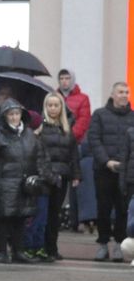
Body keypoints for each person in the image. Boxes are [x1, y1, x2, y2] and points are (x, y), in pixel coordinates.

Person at [0, 98, 49, 265]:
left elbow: (38, 157)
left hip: (24, 183)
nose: (14, 117)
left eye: (17, 113)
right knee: (3, 218)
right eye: (11, 114)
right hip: (4, 182)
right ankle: (2, 251)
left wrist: (41, 177)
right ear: (5, 116)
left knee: (21, 218)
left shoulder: (30, 135)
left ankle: (18, 251)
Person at [28, 92, 79, 261]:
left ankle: (52, 248)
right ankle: (39, 246)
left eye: (56, 105)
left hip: (61, 176)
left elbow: (73, 154)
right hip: (44, 176)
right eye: (50, 105)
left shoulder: (67, 129)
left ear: (61, 107)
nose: (53, 108)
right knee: (41, 213)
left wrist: (76, 175)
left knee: (54, 213)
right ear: (45, 107)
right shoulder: (40, 129)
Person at [87, 81, 132, 262]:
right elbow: (94, 139)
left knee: (123, 210)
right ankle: (103, 244)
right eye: (121, 92)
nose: (124, 95)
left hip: (126, 172)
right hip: (103, 170)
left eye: (127, 92)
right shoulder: (99, 115)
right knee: (103, 208)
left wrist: (124, 164)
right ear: (113, 95)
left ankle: (120, 244)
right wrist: (106, 161)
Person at [58, 69, 94, 230]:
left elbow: (83, 121)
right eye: (61, 78)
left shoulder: (83, 98)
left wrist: (69, 137)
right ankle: (60, 217)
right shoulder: (55, 97)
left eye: (67, 78)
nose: (64, 81)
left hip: (76, 145)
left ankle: (76, 218)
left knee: (76, 182)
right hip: (57, 145)